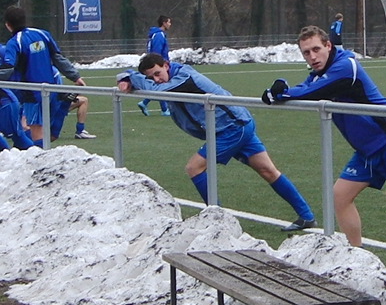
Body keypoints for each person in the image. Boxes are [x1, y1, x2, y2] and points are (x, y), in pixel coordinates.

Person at [262, 25, 386, 277]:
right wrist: (279, 92)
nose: (312, 57)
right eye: (306, 52)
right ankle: (357, 259)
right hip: (369, 149)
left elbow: (309, 92)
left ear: (328, 46)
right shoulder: (318, 75)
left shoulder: (346, 66)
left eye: (316, 49)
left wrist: (281, 93)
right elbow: (303, 88)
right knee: (341, 195)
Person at [117, 53, 315, 231]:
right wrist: (126, 77)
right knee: (268, 170)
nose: (156, 79)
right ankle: (307, 216)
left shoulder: (184, 76)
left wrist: (130, 76)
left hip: (233, 128)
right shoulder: (171, 77)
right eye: (151, 77)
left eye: (158, 73)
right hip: (233, 126)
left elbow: (159, 92)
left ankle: (219, 222)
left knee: (194, 168)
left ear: (167, 65)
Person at [0, 6, 86, 141]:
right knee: (49, 135)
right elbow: (58, 57)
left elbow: (7, 68)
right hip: (51, 90)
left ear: (7, 25)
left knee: (37, 134)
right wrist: (75, 76)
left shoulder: (15, 42)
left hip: (32, 94)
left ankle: (39, 154)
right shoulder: (42, 33)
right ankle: (63, 107)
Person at [141, 16, 173, 115]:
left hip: (159, 63)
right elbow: (157, 52)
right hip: (159, 65)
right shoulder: (159, 35)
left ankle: (144, 102)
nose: (170, 24)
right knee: (162, 85)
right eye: (169, 22)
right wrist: (159, 64)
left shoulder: (157, 34)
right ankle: (164, 109)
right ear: (164, 23)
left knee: (160, 86)